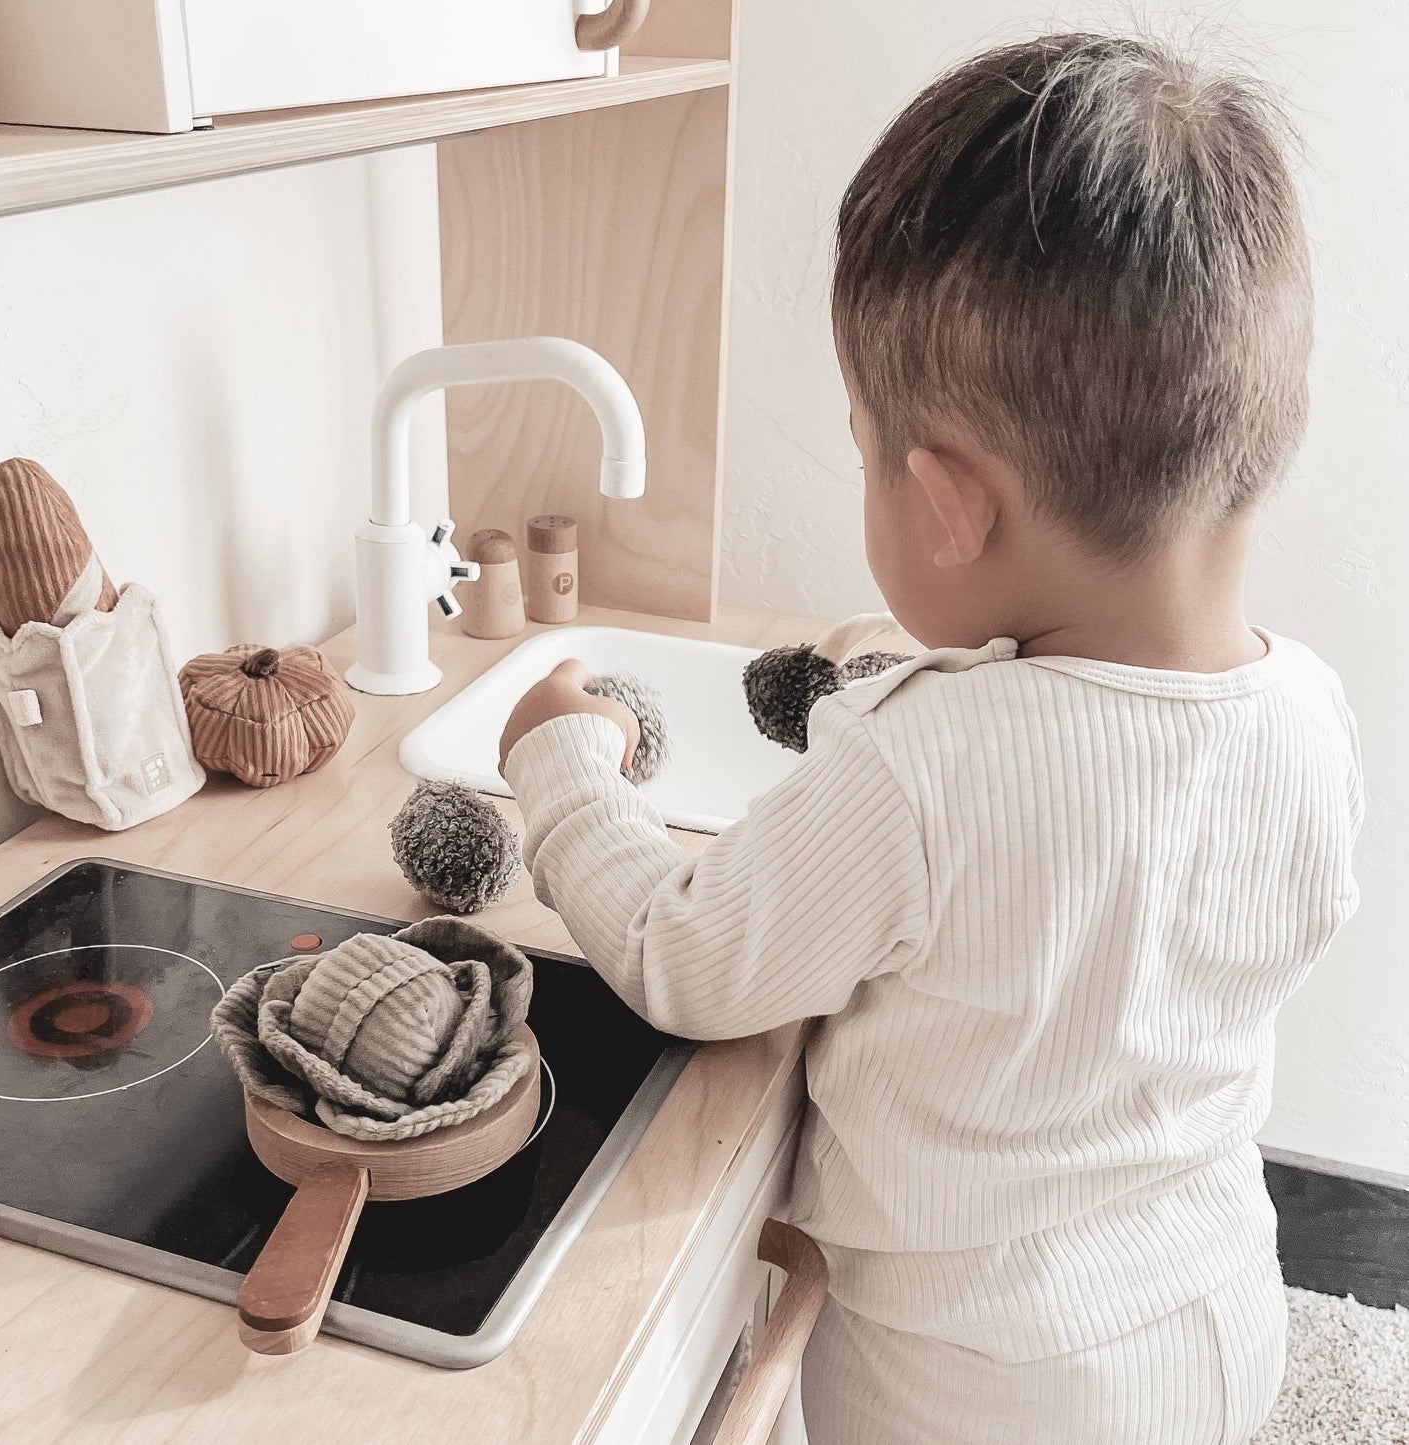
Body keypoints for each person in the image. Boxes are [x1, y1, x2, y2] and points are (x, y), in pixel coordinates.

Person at [496, 32, 1361, 1444]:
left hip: (977, 1385)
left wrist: (560, 764)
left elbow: (687, 957)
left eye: (861, 448)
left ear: (950, 505)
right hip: (1211, 1305)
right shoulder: (1309, 711)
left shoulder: (926, 763)